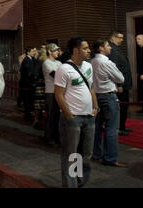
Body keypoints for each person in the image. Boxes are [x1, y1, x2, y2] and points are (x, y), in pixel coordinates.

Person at [54, 37, 98, 188]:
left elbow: (91, 88)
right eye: (85, 48)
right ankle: (70, 184)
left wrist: (96, 107)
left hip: (89, 117)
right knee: (71, 156)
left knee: (85, 155)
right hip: (73, 119)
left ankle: (81, 181)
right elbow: (58, 94)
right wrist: (69, 116)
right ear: (76, 50)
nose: (89, 51)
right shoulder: (64, 69)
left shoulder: (88, 66)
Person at [91, 39, 127, 167]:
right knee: (111, 128)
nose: (110, 48)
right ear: (101, 48)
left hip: (95, 97)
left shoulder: (91, 62)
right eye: (107, 46)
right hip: (108, 97)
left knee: (97, 127)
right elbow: (120, 78)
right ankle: (110, 158)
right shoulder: (107, 62)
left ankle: (96, 154)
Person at [107, 31, 133, 135]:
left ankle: (122, 126)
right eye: (120, 38)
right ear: (113, 37)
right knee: (120, 107)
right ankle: (119, 128)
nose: (122, 40)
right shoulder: (112, 49)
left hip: (124, 83)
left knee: (124, 107)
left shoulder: (116, 48)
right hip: (120, 85)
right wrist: (119, 85)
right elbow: (115, 68)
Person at [43, 43, 62, 146]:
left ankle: (57, 137)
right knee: (51, 115)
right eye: (55, 50)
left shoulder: (59, 63)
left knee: (58, 116)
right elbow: (56, 75)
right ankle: (49, 138)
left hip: (59, 91)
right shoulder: (47, 63)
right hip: (50, 91)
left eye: (57, 50)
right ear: (49, 51)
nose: (57, 52)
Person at [20, 47, 37, 121]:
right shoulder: (27, 60)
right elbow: (27, 72)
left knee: (28, 100)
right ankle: (27, 116)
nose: (34, 53)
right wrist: (31, 80)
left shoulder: (30, 59)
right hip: (27, 83)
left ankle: (28, 114)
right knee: (27, 100)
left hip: (28, 83)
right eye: (32, 51)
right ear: (28, 52)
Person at [33, 47, 47, 129]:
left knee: (38, 104)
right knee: (43, 103)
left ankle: (36, 119)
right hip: (45, 84)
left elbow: (35, 72)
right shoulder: (45, 62)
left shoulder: (39, 61)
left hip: (39, 84)